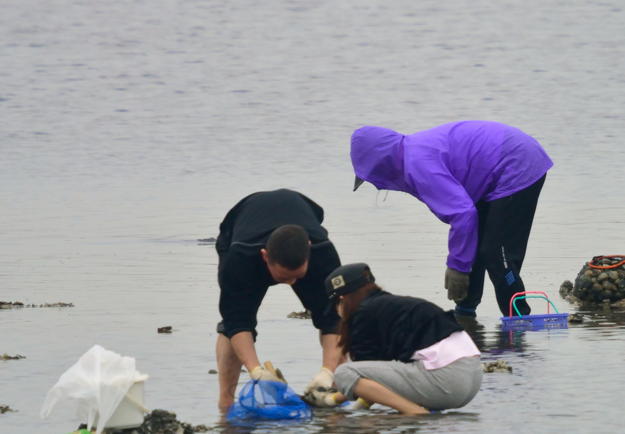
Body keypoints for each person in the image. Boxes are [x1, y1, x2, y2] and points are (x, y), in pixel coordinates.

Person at [350, 121, 553, 318]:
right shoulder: (410, 152)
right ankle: (465, 312)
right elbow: (466, 217)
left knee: (496, 252)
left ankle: (519, 318)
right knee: (475, 243)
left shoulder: (418, 165)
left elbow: (462, 214)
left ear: (379, 163)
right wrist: (461, 263)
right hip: (500, 163)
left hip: (517, 162)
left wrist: (457, 266)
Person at [214, 189, 346, 411]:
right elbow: (237, 322)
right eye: (283, 277)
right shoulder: (240, 260)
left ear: (309, 253)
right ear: (265, 257)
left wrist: (327, 371)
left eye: (299, 276)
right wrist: (257, 370)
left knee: (332, 313)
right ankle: (225, 403)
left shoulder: (323, 255)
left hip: (305, 213)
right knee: (232, 323)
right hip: (238, 231)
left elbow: (333, 321)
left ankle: (331, 396)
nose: (292, 283)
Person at [305, 263, 482, 414]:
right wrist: (358, 408)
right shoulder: (391, 307)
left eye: (336, 304)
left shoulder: (364, 314)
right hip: (472, 378)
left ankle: (416, 413)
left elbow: (359, 375)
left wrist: (331, 399)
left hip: (448, 381)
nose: (337, 311)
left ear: (343, 299)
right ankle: (414, 411)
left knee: (343, 372)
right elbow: (378, 380)